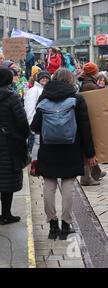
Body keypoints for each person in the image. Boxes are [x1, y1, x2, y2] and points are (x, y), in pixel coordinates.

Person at [30, 68, 96, 239]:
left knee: (49, 185)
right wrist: (90, 153)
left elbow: (35, 127)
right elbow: (85, 128)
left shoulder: (44, 98)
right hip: (71, 148)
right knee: (68, 185)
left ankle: (52, 224)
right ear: (71, 80)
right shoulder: (77, 99)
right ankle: (66, 225)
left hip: (48, 149)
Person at [0, 67, 30, 225]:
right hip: (8, 144)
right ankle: (6, 214)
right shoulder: (12, 97)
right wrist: (24, 136)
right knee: (7, 181)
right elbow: (22, 121)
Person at [78, 62, 107, 185]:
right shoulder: (89, 84)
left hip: (87, 117)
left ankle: (96, 172)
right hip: (88, 118)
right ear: (93, 73)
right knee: (88, 148)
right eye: (97, 70)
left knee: (91, 147)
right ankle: (86, 178)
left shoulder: (87, 82)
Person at [24, 71, 51, 176]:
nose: (44, 79)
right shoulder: (33, 90)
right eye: (42, 78)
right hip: (38, 123)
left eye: (46, 77)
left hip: (48, 123)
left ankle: (44, 165)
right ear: (38, 79)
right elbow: (29, 108)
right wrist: (31, 124)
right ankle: (35, 166)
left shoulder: (48, 89)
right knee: (37, 144)